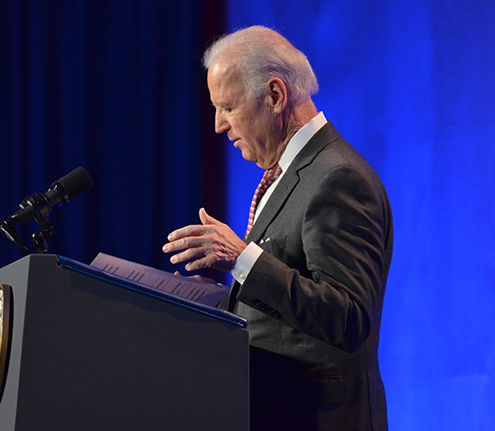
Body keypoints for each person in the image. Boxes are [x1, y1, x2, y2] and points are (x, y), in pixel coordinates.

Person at [163, 26, 392, 431]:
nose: (219, 125)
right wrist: (208, 300)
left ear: (275, 95)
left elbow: (349, 317)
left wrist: (240, 258)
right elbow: (285, 310)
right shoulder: (287, 174)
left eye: (228, 107)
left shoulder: (337, 177)